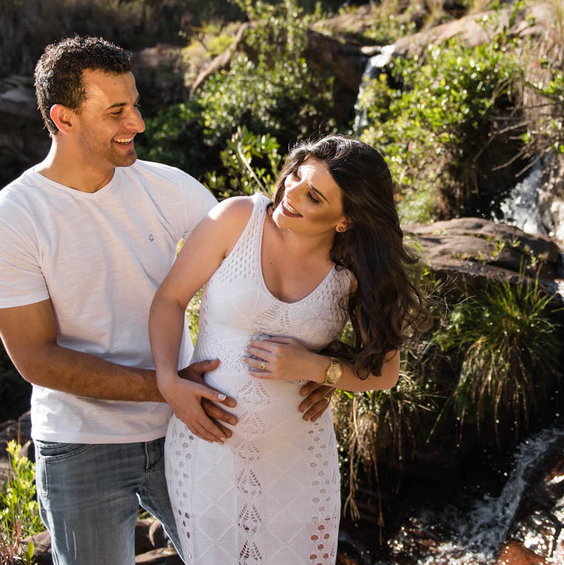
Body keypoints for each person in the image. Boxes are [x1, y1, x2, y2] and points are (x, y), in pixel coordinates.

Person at [0, 36, 332, 565]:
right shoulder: (9, 219)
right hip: (81, 444)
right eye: (116, 111)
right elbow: (36, 359)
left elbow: (267, 270)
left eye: (135, 104)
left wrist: (321, 369)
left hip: (194, 427)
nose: (137, 123)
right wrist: (168, 388)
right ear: (63, 118)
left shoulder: (171, 189)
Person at [150, 135, 427, 564]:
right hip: (207, 452)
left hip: (296, 462)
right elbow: (169, 300)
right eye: (297, 175)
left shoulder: (355, 273)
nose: (291, 193)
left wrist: (320, 368)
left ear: (345, 220)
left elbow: (385, 373)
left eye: (313, 196)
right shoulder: (236, 219)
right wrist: (169, 381)